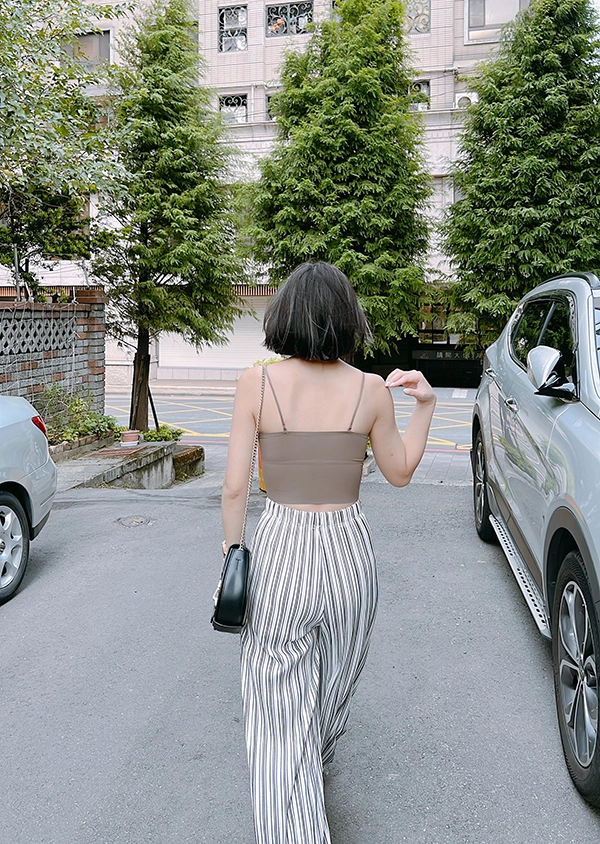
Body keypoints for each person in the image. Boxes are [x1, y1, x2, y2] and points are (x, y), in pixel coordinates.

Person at [221, 261, 436, 844]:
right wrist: (426, 406)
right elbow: (400, 472)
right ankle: (311, 764)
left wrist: (234, 554)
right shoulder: (371, 390)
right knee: (330, 688)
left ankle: (292, 810)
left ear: (285, 315)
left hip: (281, 546)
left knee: (277, 707)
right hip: (348, 554)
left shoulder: (256, 383)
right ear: (348, 318)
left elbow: (236, 487)